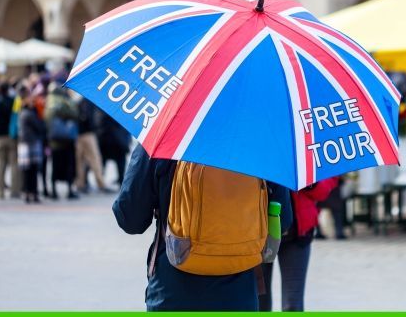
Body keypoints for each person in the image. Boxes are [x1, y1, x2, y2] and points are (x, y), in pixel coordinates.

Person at [113, 145, 292, 311]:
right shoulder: (261, 144)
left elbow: (130, 219)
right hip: (239, 295)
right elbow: (283, 221)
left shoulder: (165, 136)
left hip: (172, 292)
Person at [259, 177, 338, 312]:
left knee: (292, 305)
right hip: (258, 233)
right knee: (260, 304)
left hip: (297, 234)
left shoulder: (306, 155)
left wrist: (310, 182)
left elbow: (324, 188)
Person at [44, 81, 79, 200]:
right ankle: (69, 190)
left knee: (55, 166)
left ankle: (53, 190)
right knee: (69, 165)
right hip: (67, 140)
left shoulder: (47, 102)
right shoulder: (63, 101)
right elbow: (74, 113)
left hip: (53, 141)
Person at [75, 96, 113, 194]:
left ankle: (80, 184)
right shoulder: (88, 101)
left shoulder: (79, 101)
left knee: (81, 161)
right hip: (88, 134)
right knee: (95, 160)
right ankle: (101, 184)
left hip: (78, 134)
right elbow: (89, 117)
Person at [17, 85, 45, 204]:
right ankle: (32, 193)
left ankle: (28, 193)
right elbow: (39, 126)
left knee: (27, 171)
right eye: (30, 98)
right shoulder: (28, 113)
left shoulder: (22, 111)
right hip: (31, 144)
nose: (32, 100)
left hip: (25, 143)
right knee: (31, 171)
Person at [95, 108, 131, 187]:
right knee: (119, 162)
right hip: (116, 141)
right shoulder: (124, 111)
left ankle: (117, 180)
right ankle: (120, 181)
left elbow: (100, 124)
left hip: (110, 141)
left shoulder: (106, 109)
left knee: (107, 161)